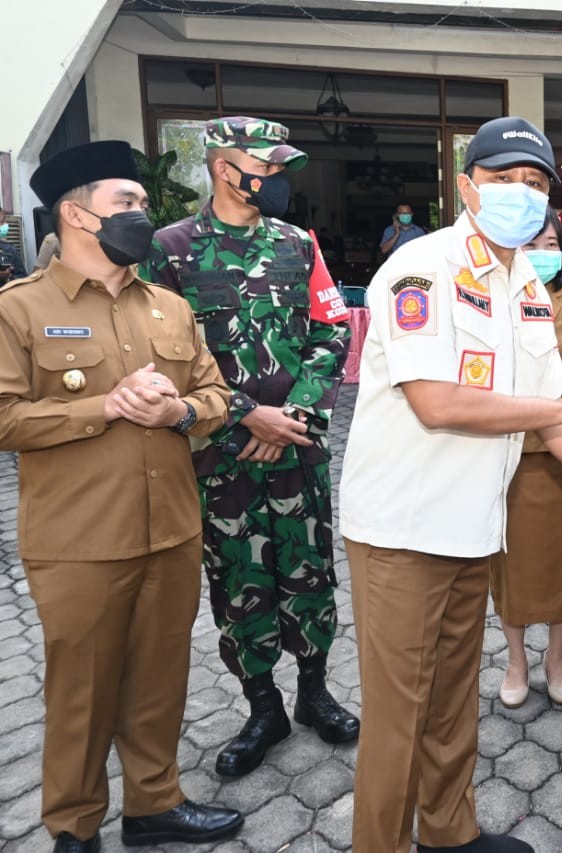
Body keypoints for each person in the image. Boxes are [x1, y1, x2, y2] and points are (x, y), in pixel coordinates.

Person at [339, 116, 562, 853]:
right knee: (399, 715)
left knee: (451, 699)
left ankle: (449, 832)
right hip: (402, 531)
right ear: (466, 186)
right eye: (505, 178)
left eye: (536, 183)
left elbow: (555, 422)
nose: (521, 193)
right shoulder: (423, 268)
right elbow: (437, 402)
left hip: (475, 526)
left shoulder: (526, 286)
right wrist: (561, 408)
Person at [0, 140, 241, 851]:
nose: (141, 214)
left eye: (140, 202)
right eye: (126, 203)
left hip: (170, 528)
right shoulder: (20, 309)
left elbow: (217, 394)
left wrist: (182, 413)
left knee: (161, 678)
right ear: (76, 214)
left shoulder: (167, 306)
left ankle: (153, 803)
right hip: (79, 542)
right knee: (82, 692)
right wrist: (105, 405)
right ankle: (73, 824)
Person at [138, 116, 358, 779]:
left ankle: (314, 691)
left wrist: (291, 414)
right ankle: (262, 706)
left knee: (311, 573)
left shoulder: (297, 243)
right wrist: (244, 416)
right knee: (239, 583)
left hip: (296, 448)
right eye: (268, 166)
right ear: (224, 167)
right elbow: (159, 360)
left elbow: (333, 329)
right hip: (218, 455)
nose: (279, 179)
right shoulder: (168, 251)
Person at [491, 210, 562, 708]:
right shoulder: (493, 295)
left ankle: (556, 658)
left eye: (551, 241)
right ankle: (516, 660)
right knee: (512, 567)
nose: (543, 249)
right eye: (533, 241)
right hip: (512, 453)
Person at [0, 208, 28, 284]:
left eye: (3, 221)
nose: (4, 225)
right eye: (1, 222)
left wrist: (9, 277)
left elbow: (23, 278)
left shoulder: (10, 249)